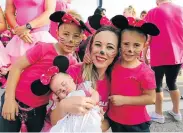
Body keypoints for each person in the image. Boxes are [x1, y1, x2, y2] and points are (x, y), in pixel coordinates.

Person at [0, 10, 91, 132]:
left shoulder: (72, 63)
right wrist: (9, 99)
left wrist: (88, 60)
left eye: (76, 36)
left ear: (82, 38)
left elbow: (82, 78)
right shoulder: (43, 48)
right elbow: (17, 67)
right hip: (14, 100)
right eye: (66, 34)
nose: (70, 40)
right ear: (57, 32)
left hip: (38, 111)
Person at [50, 26, 120, 132]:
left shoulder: (116, 81)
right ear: (90, 47)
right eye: (97, 45)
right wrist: (63, 106)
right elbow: (53, 121)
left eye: (110, 47)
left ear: (117, 53)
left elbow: (109, 120)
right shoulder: (72, 73)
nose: (102, 51)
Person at [105, 15, 159, 132]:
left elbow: (151, 98)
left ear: (144, 46)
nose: (130, 49)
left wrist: (124, 100)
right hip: (115, 120)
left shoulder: (146, 72)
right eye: (126, 44)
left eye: (136, 45)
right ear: (119, 43)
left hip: (136, 124)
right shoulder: (112, 64)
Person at [31, 55, 102, 132]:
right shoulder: (61, 101)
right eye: (59, 91)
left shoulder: (83, 86)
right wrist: (57, 102)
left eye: (64, 84)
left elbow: (95, 93)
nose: (64, 90)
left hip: (87, 118)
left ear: (71, 78)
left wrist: (93, 102)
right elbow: (55, 119)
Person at [144, 0, 183, 123]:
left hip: (158, 54)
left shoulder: (152, 12)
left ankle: (159, 114)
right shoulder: (181, 9)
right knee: (172, 82)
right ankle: (177, 112)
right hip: (177, 53)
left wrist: (144, 54)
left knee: (158, 85)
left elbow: (147, 37)